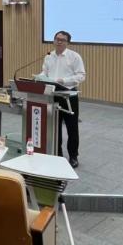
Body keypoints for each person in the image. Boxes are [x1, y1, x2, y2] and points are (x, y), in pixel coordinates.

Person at [40, 30, 85, 168]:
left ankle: (73, 156)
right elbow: (45, 72)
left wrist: (63, 80)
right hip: (52, 95)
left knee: (72, 127)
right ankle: (57, 154)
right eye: (57, 39)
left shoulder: (74, 57)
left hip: (68, 95)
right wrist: (39, 77)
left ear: (67, 42)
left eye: (62, 40)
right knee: (55, 126)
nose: (59, 42)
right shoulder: (49, 56)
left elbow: (81, 76)